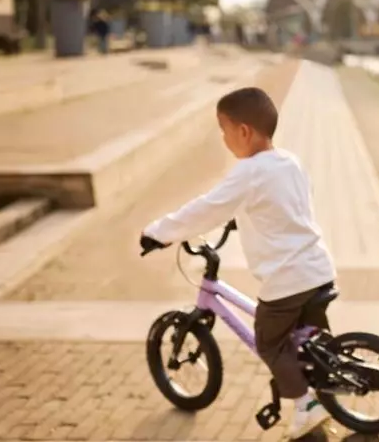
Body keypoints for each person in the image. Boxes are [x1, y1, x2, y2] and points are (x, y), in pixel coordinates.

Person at [139, 87, 336, 440]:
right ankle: (329, 389)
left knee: (269, 342)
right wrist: (241, 216)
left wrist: (159, 232)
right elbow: (282, 204)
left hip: (286, 280)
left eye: (223, 128)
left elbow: (206, 208)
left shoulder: (248, 172)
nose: (223, 137)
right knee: (310, 342)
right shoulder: (289, 160)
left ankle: (307, 406)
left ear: (243, 131)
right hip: (317, 269)